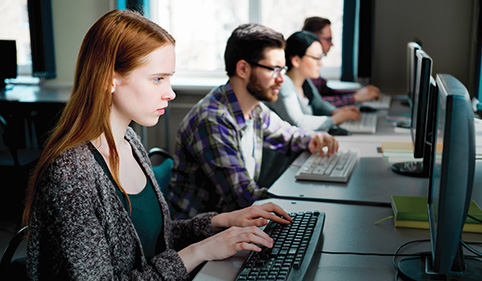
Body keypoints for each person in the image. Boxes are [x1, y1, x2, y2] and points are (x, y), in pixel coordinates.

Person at [21, 10, 296, 280]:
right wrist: (199, 251)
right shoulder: (72, 174)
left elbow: (150, 241)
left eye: (170, 77)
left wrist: (222, 222)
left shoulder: (130, 140)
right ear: (109, 79)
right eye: (158, 79)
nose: (171, 92)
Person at [168, 23, 338, 220]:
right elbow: (244, 198)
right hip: (202, 237)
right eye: (274, 69)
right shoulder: (212, 120)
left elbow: (288, 135)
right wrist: (308, 200)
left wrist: (314, 138)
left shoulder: (254, 108)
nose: (281, 79)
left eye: (282, 69)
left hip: (236, 225)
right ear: (243, 69)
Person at [265, 31, 361, 131]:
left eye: (321, 57)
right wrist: (335, 119)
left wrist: (336, 111)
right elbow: (298, 122)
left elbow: (319, 105)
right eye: (316, 58)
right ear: (296, 60)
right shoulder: (284, 85)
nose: (321, 64)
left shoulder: (305, 82)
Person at [302, 16, 380, 106]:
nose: (332, 44)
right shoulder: (304, 68)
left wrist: (356, 93)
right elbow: (315, 103)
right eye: (328, 39)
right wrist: (354, 97)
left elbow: (325, 91)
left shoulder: (313, 69)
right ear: (313, 38)